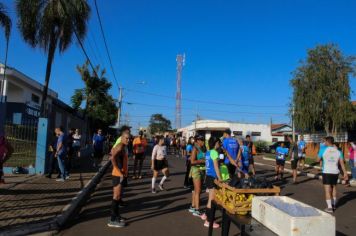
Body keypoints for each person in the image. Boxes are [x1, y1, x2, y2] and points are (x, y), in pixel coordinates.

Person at [318, 136, 348, 213]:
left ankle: (330, 207)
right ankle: (334, 204)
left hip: (327, 171)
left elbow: (317, 159)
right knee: (334, 187)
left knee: (327, 190)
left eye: (325, 142)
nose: (324, 143)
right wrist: (345, 173)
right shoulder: (339, 151)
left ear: (328, 142)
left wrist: (321, 157)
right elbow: (341, 163)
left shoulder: (322, 149)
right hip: (335, 172)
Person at [107, 132, 130, 228]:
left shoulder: (123, 146)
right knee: (116, 197)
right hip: (117, 175)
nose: (128, 140)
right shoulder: (120, 146)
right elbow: (112, 157)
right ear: (121, 138)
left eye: (129, 138)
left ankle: (116, 216)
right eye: (126, 138)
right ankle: (112, 219)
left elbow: (112, 152)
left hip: (121, 174)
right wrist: (118, 170)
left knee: (118, 196)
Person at [200, 137, 222, 229]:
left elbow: (207, 166)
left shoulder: (208, 152)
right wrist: (220, 179)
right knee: (212, 200)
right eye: (219, 142)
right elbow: (216, 167)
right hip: (212, 178)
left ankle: (205, 215)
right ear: (216, 143)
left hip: (208, 177)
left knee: (210, 199)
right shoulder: (214, 152)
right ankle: (209, 221)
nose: (219, 144)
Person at [189, 135, 206, 217]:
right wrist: (201, 161)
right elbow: (192, 161)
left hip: (201, 170)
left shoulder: (203, 149)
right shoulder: (195, 148)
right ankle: (197, 209)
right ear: (197, 141)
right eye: (201, 140)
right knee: (198, 190)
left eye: (203, 139)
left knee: (196, 190)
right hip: (196, 170)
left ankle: (193, 207)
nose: (203, 141)